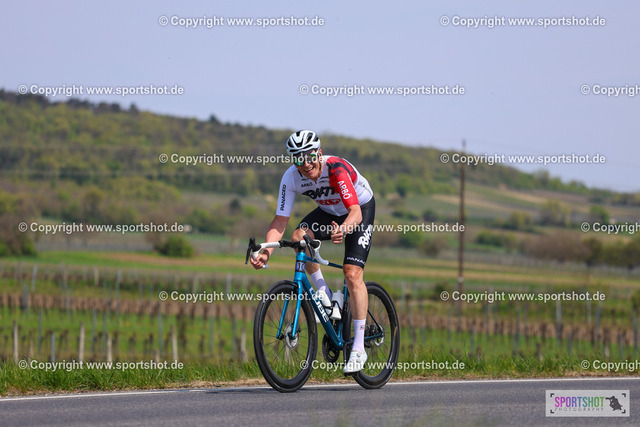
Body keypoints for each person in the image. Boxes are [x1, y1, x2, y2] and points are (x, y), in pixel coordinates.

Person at [250, 130, 375, 373]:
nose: (305, 164)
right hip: (329, 212)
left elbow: (355, 213)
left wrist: (344, 229)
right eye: (298, 159)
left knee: (352, 274)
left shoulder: (335, 169)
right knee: (299, 237)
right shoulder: (291, 177)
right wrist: (267, 251)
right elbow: (280, 220)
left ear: (319, 153)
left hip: (358, 210)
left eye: (309, 156)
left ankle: (359, 348)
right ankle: (325, 295)